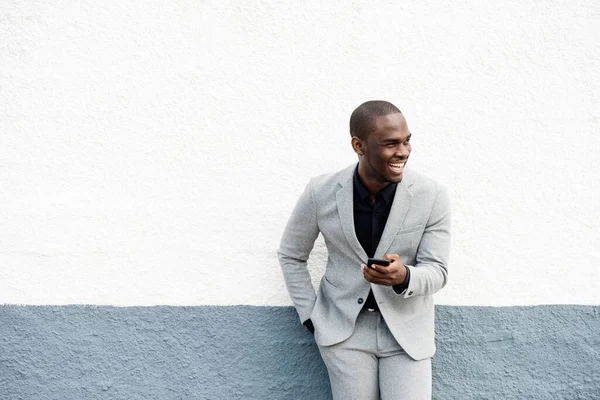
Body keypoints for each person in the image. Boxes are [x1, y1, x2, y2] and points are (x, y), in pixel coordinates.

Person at [278, 100, 451, 399]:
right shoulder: (321, 191)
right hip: (345, 332)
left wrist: (405, 277)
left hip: (407, 333)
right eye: (391, 143)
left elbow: (438, 271)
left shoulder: (431, 195)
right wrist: (311, 316)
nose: (403, 152)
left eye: (407, 141)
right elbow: (291, 255)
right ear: (359, 145)